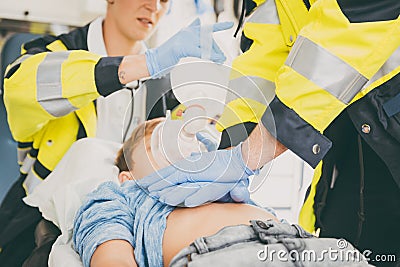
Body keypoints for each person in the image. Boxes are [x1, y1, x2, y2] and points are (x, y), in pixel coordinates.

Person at [138, 0, 400, 265]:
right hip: (352, 146)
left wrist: (246, 157)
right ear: (126, 176)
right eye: (159, 145)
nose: (186, 145)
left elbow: (352, 30)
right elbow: (266, 51)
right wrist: (233, 145)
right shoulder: (124, 202)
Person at [0, 0, 233, 265]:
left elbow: (180, 139)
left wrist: (207, 150)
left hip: (136, 220)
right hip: (42, 221)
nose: (154, 6)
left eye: (165, 0)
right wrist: (140, 65)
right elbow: (19, 87)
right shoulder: (51, 54)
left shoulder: (162, 83)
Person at [73, 117, 368, 267]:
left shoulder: (224, 185)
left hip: (313, 249)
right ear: (128, 177)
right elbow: (111, 252)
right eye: (160, 144)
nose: (181, 148)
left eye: (187, 141)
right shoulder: (123, 194)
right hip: (221, 256)